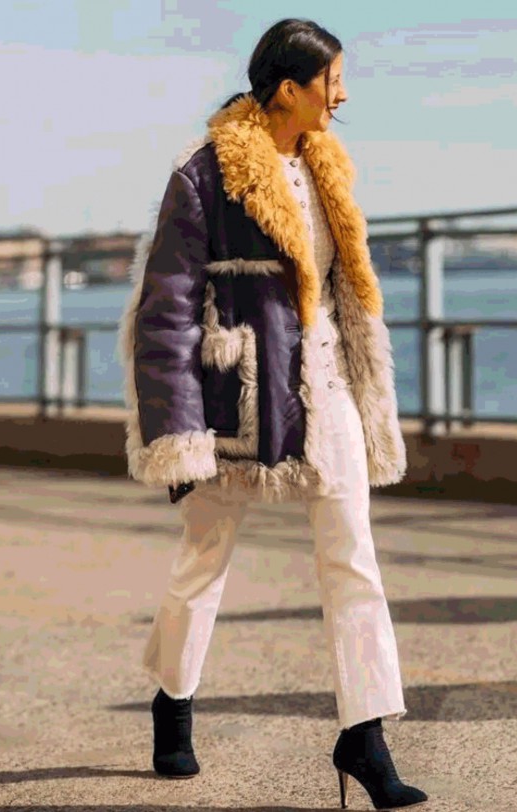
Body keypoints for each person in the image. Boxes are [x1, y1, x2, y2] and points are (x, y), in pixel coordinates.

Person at [117, 17, 428, 809]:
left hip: (329, 387)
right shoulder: (203, 172)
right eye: (332, 81)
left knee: (354, 558)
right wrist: (179, 436)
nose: (342, 95)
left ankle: (365, 735)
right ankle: (173, 698)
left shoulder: (328, 165)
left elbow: (343, 290)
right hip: (238, 400)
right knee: (204, 557)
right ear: (289, 89)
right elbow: (166, 310)